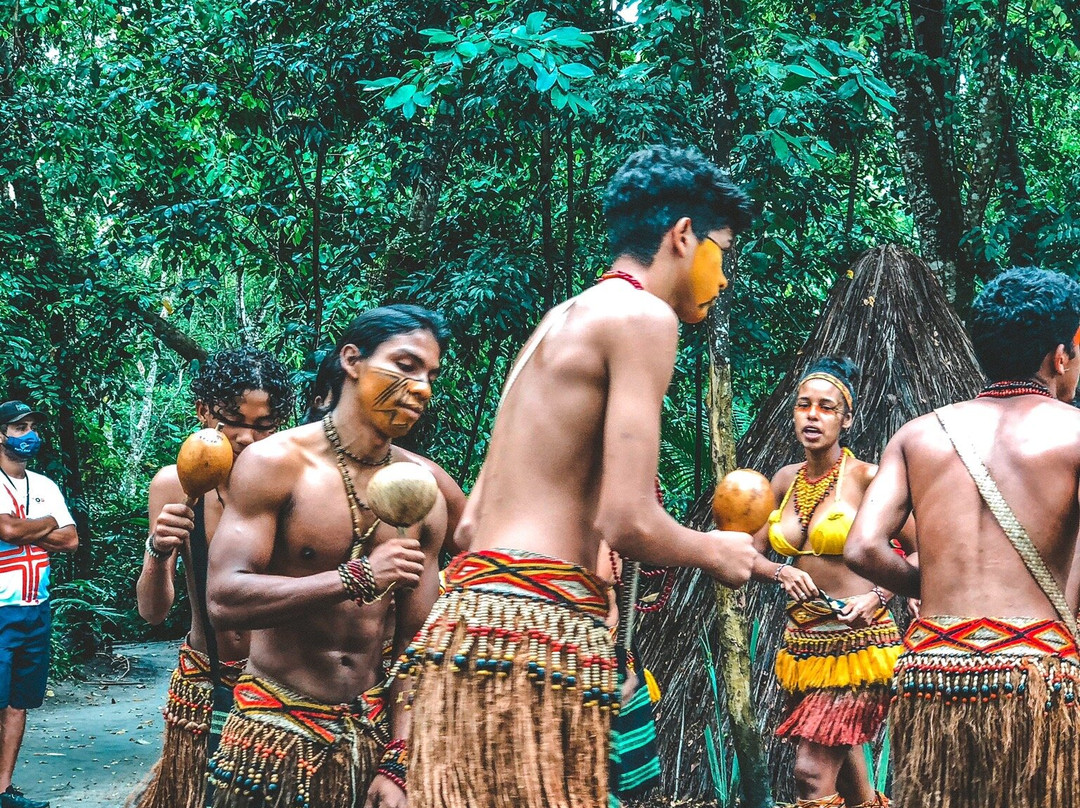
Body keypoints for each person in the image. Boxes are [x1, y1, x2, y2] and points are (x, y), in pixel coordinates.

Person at [397, 144, 758, 808]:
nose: (723, 279)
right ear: (683, 237)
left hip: (469, 627)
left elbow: (472, 523)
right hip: (537, 634)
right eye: (722, 254)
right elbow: (625, 520)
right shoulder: (644, 317)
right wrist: (716, 550)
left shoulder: (555, 324)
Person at [206, 305, 463, 808]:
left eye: (431, 375)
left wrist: (402, 755)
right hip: (272, 734)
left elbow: (416, 643)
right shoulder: (275, 464)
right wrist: (357, 578)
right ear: (352, 360)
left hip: (367, 740)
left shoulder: (427, 491)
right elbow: (225, 598)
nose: (423, 388)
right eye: (406, 366)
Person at [846, 266, 1080, 808]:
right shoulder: (1072, 433)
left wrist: (933, 587)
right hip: (1035, 679)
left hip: (933, 672)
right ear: (1059, 356)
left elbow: (862, 547)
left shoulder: (918, 434)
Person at [131, 347, 294, 808]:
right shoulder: (173, 485)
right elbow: (152, 613)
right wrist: (158, 552)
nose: (247, 437)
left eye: (264, 425)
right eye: (232, 420)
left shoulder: (291, 486)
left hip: (278, 685)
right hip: (204, 679)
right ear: (203, 411)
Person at [745, 358, 908, 808]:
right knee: (855, 786)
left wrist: (879, 595)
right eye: (804, 406)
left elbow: (925, 550)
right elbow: (748, 556)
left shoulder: (868, 478)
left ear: (847, 418)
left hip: (861, 647)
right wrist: (781, 569)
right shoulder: (782, 481)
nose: (812, 415)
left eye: (826, 407)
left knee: (810, 773)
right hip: (804, 652)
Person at [0, 401, 79, 808]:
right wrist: (46, 523)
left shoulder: (44, 485)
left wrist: (27, 530)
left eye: (32, 425)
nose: (29, 433)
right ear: (1, 434)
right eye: (19, 427)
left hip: (36, 607)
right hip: (0, 609)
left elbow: (70, 540)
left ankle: (3, 790)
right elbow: (8, 529)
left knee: (19, 701)